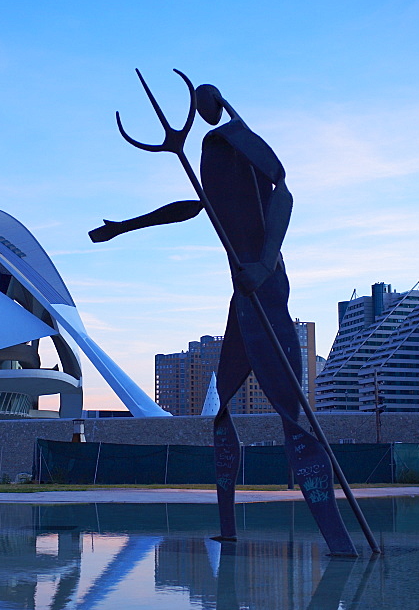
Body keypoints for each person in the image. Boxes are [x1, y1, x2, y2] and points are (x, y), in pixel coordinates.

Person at [91, 84, 355, 553]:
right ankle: (229, 528)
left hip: (264, 288)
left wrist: (264, 262)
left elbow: (284, 188)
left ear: (215, 102)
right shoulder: (210, 159)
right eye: (195, 106)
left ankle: (338, 539)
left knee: (291, 413)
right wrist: (123, 228)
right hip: (243, 294)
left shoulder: (237, 136)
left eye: (201, 103)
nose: (199, 112)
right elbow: (190, 208)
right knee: (224, 410)